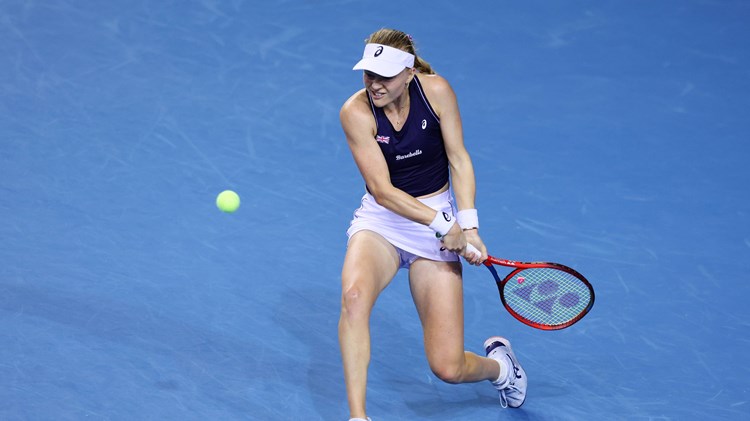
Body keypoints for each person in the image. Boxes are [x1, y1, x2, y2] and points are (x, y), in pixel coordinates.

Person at [338, 28, 527, 420]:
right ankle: (358, 416)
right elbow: (382, 190)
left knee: (448, 368)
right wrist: (443, 223)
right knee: (354, 298)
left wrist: (468, 225)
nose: (374, 85)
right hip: (383, 222)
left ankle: (502, 368)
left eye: (385, 76)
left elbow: (458, 158)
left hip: (436, 220)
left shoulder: (437, 91)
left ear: (408, 73)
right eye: (368, 74)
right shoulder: (355, 113)